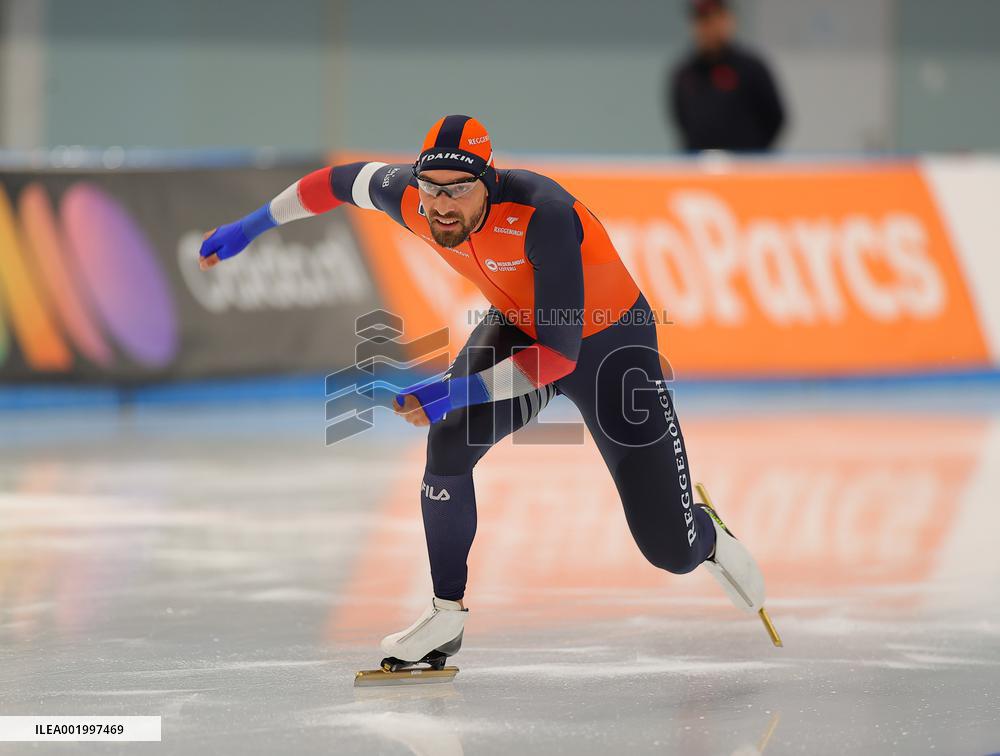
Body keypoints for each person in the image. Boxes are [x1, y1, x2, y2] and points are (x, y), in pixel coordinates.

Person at [199, 115, 773, 680]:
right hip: (519, 328)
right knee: (449, 442)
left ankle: (704, 535)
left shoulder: (544, 213)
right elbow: (331, 184)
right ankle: (445, 614)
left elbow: (559, 358)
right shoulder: (408, 197)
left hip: (608, 349)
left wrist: (452, 390)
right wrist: (249, 227)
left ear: (490, 182)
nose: (442, 206)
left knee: (669, 551)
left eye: (459, 190)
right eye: (431, 189)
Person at [669, 0, 786, 152]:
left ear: (728, 20)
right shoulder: (684, 73)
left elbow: (774, 118)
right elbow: (681, 119)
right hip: (698, 162)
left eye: (715, 18)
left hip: (745, 163)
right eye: (702, 20)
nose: (709, 28)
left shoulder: (751, 68)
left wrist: (754, 154)